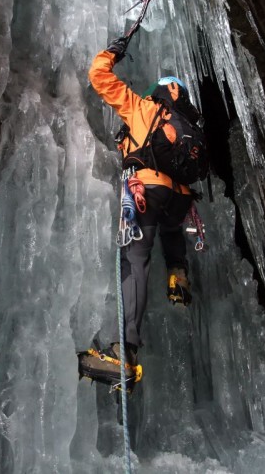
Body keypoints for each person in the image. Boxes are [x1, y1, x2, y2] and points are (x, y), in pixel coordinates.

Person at [78, 37, 199, 388]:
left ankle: (124, 353)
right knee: (172, 228)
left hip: (149, 188)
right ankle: (178, 276)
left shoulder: (144, 108)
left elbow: (98, 75)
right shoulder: (186, 125)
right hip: (180, 197)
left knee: (134, 259)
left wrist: (115, 49)